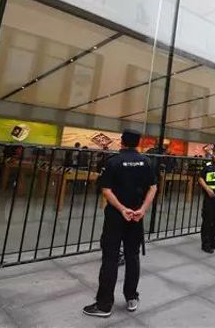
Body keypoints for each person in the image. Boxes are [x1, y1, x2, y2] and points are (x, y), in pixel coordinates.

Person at [83, 129, 157, 318]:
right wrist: (142, 209)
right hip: (137, 216)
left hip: (116, 216)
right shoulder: (146, 162)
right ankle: (131, 297)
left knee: (110, 257)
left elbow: (106, 190)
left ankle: (104, 304)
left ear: (122, 142)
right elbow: (153, 187)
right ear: (138, 143)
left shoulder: (113, 162)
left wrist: (122, 209)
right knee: (133, 256)